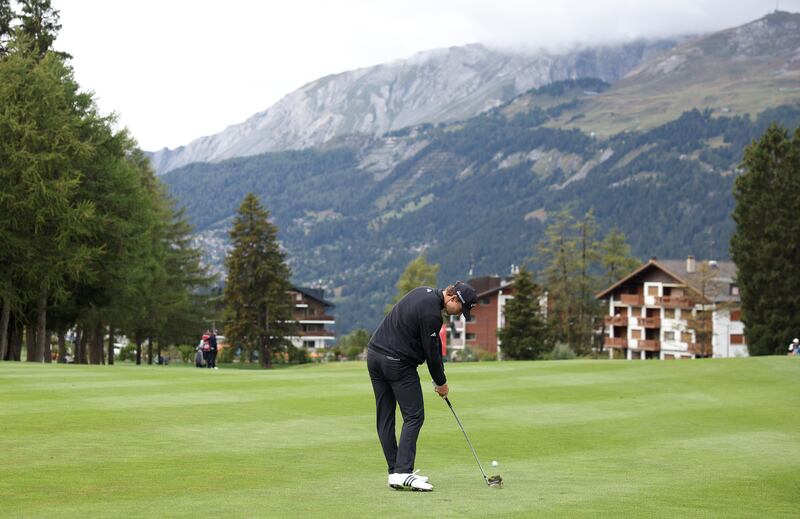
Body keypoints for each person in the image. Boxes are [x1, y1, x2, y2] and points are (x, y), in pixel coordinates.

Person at [367, 280, 477, 492]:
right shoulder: (432, 315)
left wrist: (439, 379)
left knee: (385, 416)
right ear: (453, 299)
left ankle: (395, 472)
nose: (459, 313)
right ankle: (403, 471)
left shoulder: (422, 292)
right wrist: (441, 383)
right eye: (460, 309)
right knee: (414, 416)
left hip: (374, 356)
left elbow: (435, 345)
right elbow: (431, 354)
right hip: (397, 363)